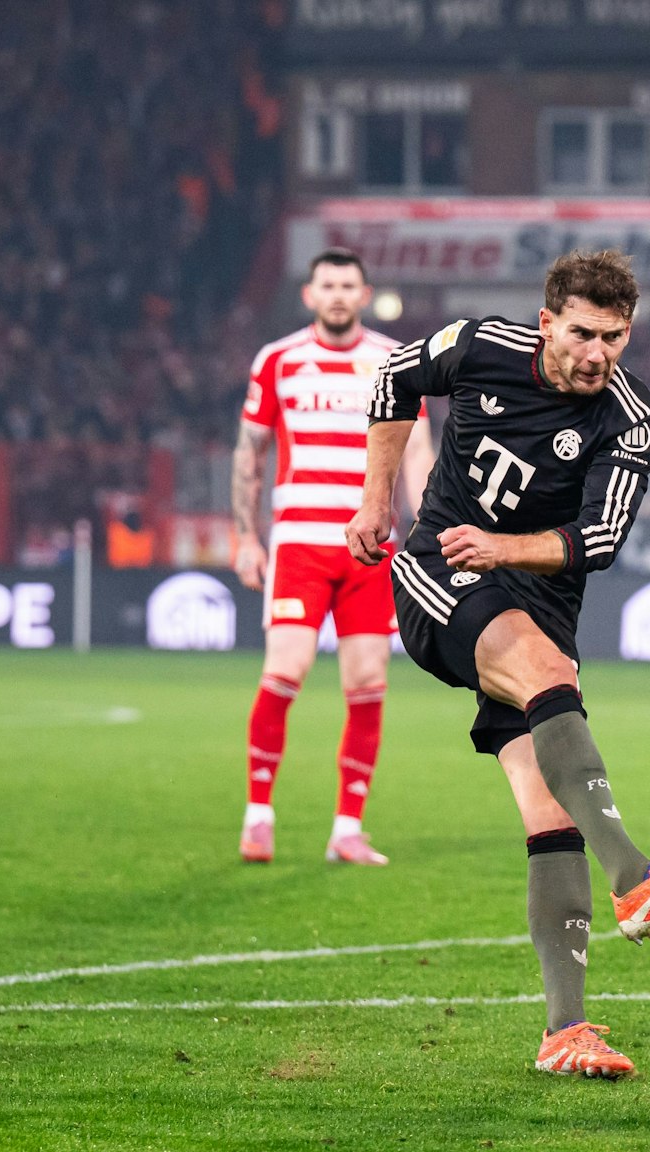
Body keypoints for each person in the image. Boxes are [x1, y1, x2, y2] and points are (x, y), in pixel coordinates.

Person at [347, 249, 650, 1080]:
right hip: (441, 569)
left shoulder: (631, 416)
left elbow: (597, 541)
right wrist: (377, 496)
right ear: (547, 322)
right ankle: (636, 876)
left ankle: (566, 1030)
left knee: (549, 809)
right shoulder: (481, 346)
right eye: (583, 333)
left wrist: (507, 550)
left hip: (535, 602)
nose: (598, 352)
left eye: (616, 336)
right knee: (542, 672)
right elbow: (393, 378)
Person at [234, 248, 434, 866]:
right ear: (310, 294)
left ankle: (347, 828)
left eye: (350, 285)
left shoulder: (392, 363)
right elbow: (250, 452)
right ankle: (258, 814)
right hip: (299, 542)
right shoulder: (278, 361)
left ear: (365, 293)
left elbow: (417, 449)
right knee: (285, 670)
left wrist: (425, 533)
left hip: (371, 549)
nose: (340, 294)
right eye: (329, 285)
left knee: (368, 683)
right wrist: (245, 536)